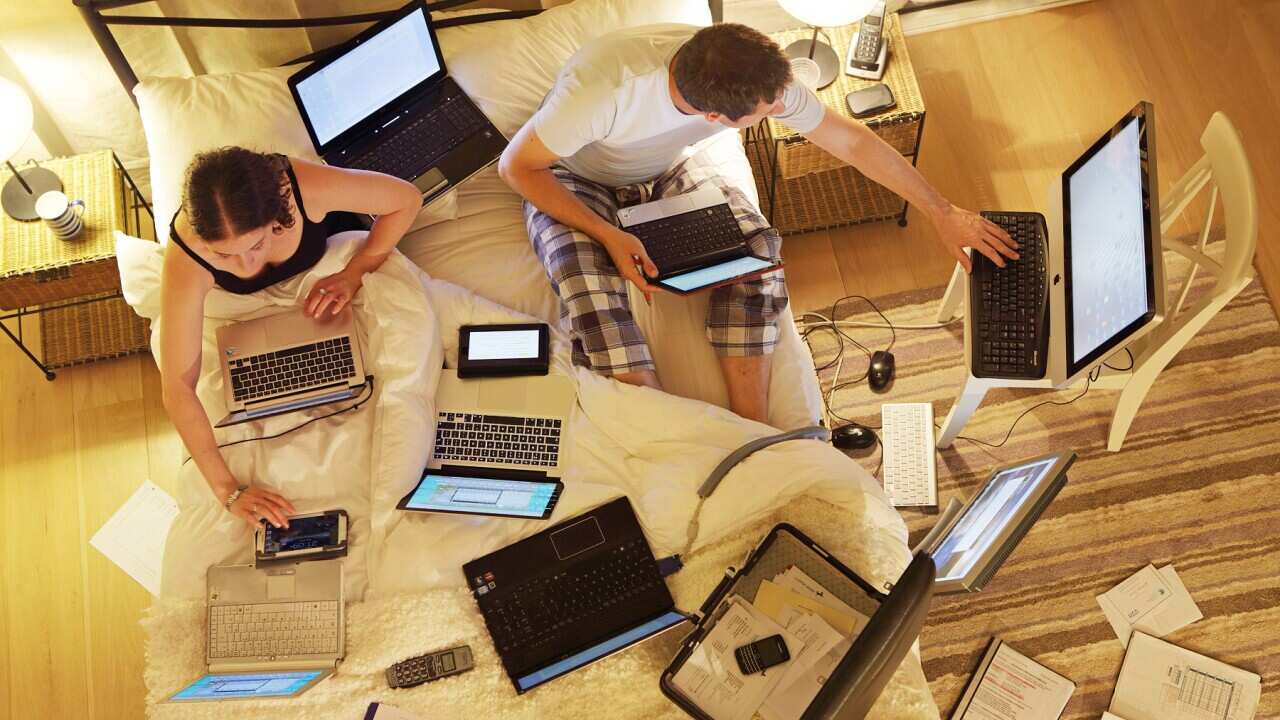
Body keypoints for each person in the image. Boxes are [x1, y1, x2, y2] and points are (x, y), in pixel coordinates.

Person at [500, 23, 1016, 424]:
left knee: (757, 254)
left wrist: (942, 211)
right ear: (713, 118)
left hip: (668, 166)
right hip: (574, 175)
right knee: (587, 287)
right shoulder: (601, 90)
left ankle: (751, 424)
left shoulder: (754, 73)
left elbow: (851, 141)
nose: (780, 111)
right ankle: (662, 421)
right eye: (765, 114)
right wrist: (610, 235)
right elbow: (516, 167)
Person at [159, 147, 422, 530]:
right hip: (245, 315)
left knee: (407, 360)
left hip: (331, 275)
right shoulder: (187, 254)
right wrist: (227, 491)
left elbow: (406, 199)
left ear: (277, 214)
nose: (246, 266)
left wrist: (355, 272)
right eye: (224, 256)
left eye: (256, 245)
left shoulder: (301, 188)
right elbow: (177, 387)